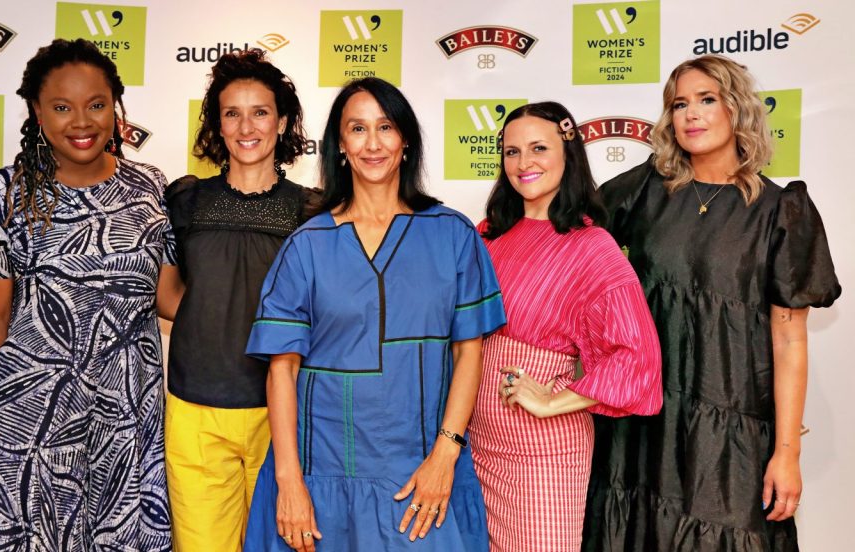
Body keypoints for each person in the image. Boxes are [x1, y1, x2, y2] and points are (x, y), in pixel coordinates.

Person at [583, 55, 841, 551]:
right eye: (679, 104)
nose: (691, 115)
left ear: (737, 109)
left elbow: (788, 340)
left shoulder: (780, 211)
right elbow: (570, 237)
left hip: (731, 431)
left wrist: (786, 453)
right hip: (643, 427)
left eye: (707, 100)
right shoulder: (642, 192)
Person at [242, 77, 506, 552]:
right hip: (321, 479)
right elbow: (282, 371)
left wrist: (445, 455)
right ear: (340, 145)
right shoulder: (307, 245)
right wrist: (290, 482)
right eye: (357, 129)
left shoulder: (453, 235)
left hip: (422, 477)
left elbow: (470, 352)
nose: (373, 143)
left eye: (385, 127)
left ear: (405, 140)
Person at [0, 38, 177, 550]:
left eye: (96, 105)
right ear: (37, 111)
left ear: (116, 109)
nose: (82, 121)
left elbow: (168, 298)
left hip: (125, 417)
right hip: (27, 419)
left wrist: (258, 295)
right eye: (61, 107)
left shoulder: (150, 187)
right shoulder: (5, 193)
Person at [468, 102, 662, 552]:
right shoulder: (489, 236)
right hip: (475, 442)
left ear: (568, 154)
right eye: (511, 151)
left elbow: (638, 357)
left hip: (542, 454)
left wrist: (554, 403)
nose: (524, 163)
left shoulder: (591, 245)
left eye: (539, 148)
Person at [162, 49, 320, 552]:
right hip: (195, 412)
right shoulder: (185, 199)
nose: (246, 126)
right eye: (232, 113)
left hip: (286, 416)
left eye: (260, 112)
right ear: (217, 124)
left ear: (283, 121)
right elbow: (168, 297)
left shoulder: (313, 210)